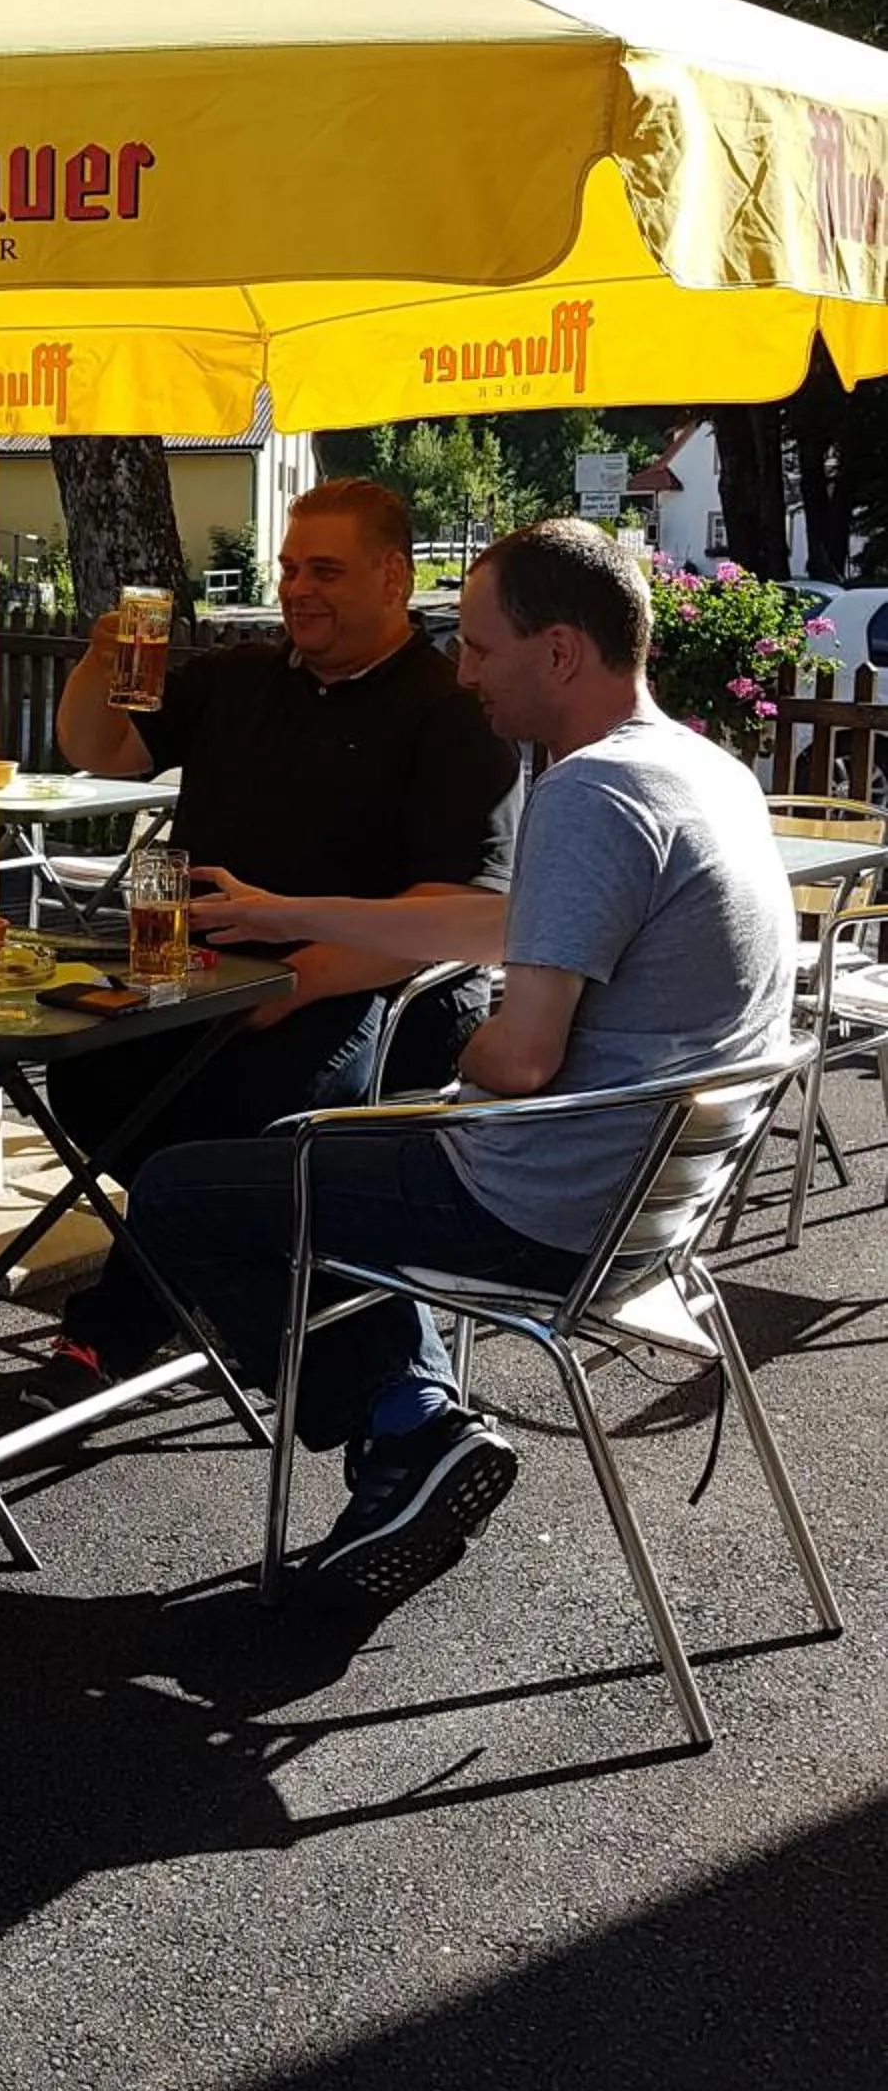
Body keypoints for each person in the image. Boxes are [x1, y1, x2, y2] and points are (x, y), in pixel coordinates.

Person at [147, 518, 796, 1608]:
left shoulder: (589, 794)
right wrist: (279, 910)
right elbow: (500, 930)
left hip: (543, 1202)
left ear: (559, 654)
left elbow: (522, 1061)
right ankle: (410, 1419)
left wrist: (461, 1077)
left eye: (482, 648)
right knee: (339, 1145)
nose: (462, 673)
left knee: (181, 1192)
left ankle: (405, 1429)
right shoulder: (699, 767)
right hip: (650, 1207)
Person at [30, 477, 519, 1404]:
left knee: (239, 1118)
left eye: (325, 570)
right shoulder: (238, 678)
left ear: (392, 578)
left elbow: (456, 909)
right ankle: (208, 1268)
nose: (299, 589)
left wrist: (294, 985)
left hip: (367, 993)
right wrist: (99, 665)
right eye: (291, 567)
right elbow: (104, 750)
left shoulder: (450, 708)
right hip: (196, 973)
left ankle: (133, 1318)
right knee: (83, 1071)